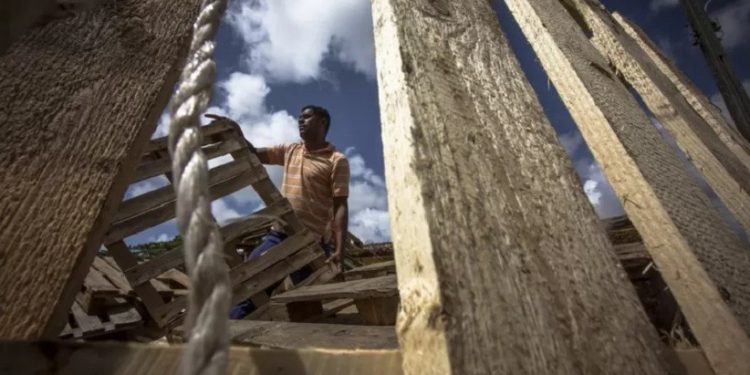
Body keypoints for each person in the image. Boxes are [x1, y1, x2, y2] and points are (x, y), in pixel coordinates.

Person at [206, 105, 350, 319]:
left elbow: (340, 205)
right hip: (280, 234)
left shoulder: (336, 160)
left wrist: (339, 248)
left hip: (312, 243)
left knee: (304, 303)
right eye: (299, 117)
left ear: (323, 122)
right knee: (250, 284)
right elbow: (255, 153)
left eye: (307, 117)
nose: (300, 120)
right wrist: (237, 132)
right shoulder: (290, 150)